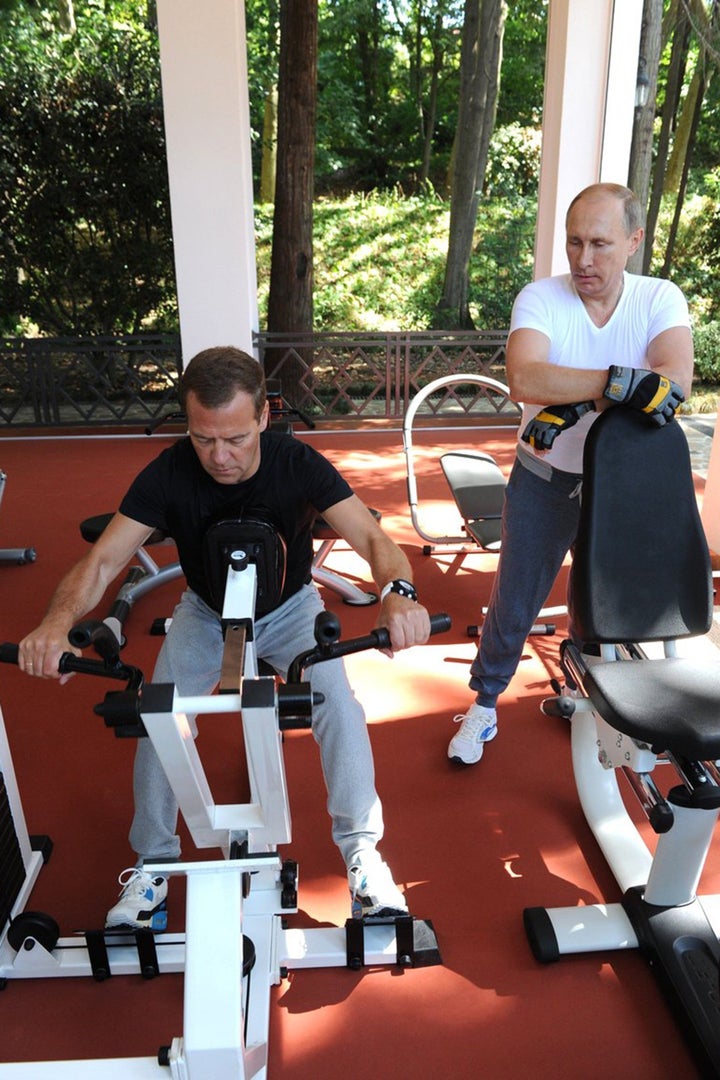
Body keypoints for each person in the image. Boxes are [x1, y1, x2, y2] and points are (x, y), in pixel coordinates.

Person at [19, 346, 431, 926]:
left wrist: (398, 594)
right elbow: (104, 559)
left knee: (337, 703)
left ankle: (362, 851)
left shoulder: (298, 463)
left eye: (235, 438)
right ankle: (154, 866)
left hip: (291, 607)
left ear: (264, 416)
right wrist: (55, 624)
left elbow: (372, 539)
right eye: (203, 438)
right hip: (204, 610)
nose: (219, 457)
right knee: (160, 712)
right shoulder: (169, 470)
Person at [448, 182, 693, 766]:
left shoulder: (660, 299)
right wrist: (622, 384)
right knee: (516, 599)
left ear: (634, 241)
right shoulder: (541, 297)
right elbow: (528, 380)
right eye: (575, 242)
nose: (584, 260)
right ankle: (483, 704)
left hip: (624, 485)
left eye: (601, 245)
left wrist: (578, 398)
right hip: (546, 476)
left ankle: (590, 693)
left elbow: (674, 384)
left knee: (604, 601)